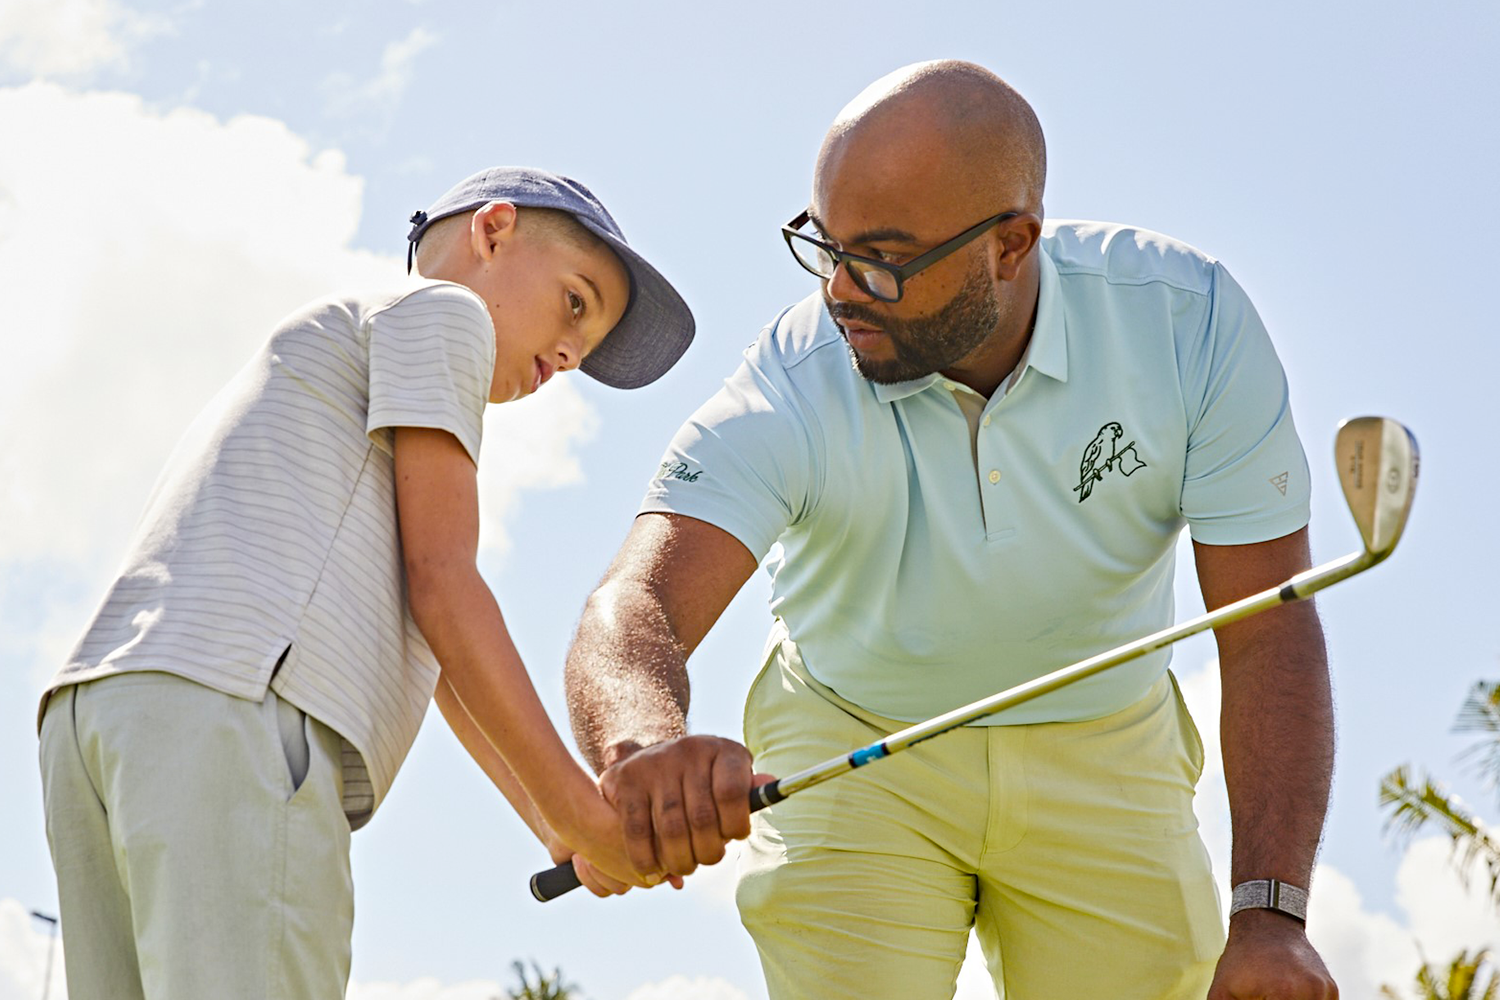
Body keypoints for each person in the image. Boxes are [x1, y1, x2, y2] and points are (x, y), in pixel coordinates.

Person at [564, 62, 1340, 999]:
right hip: (850, 744)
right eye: (827, 244)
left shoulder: (1190, 322)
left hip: (1108, 744)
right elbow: (636, 598)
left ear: (1011, 245)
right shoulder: (796, 376)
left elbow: (1267, 627)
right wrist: (641, 742)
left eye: (883, 258)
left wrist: (1270, 916)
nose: (841, 289)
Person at [37, 166, 694, 1000]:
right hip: (236, 712)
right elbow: (445, 586)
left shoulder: (355, 351)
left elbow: (439, 651)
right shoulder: (446, 313)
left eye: (587, 348)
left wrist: (557, 828)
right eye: (575, 302)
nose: (570, 353)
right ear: (493, 232)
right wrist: (579, 810)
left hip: (101, 715)